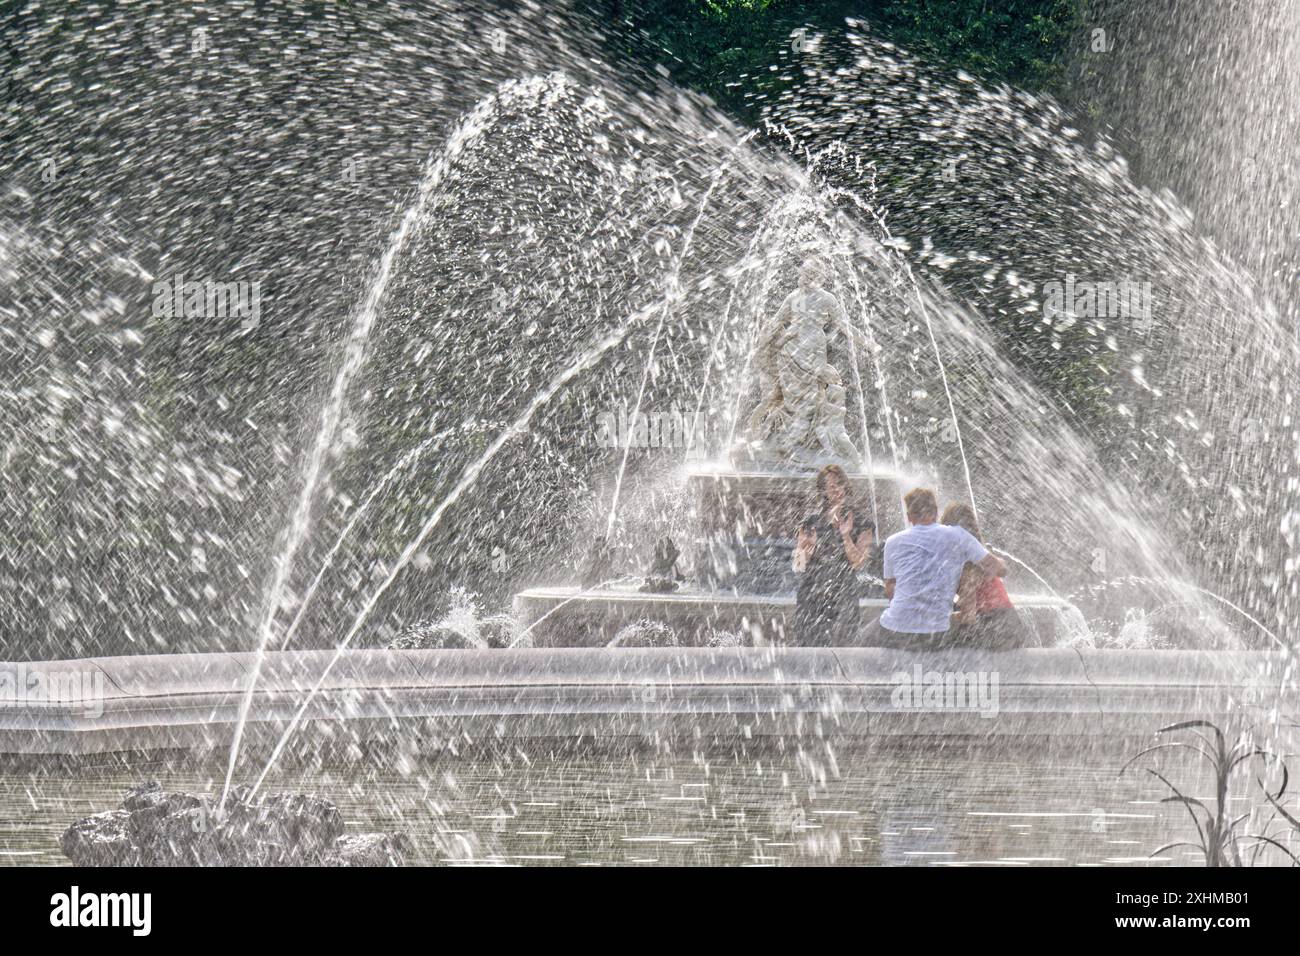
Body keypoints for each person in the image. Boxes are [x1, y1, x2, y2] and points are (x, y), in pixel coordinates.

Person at [859, 487, 1007, 648]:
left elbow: (890, 590)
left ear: (909, 517)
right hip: (937, 634)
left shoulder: (893, 542)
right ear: (936, 512)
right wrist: (1001, 564)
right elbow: (998, 569)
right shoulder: (959, 536)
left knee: (863, 638)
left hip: (897, 631)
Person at [791, 464, 874, 645]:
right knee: (809, 649)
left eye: (839, 483)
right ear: (823, 491)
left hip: (844, 594)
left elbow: (859, 562)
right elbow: (798, 565)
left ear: (846, 486)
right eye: (831, 486)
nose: (836, 489)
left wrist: (845, 536)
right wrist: (806, 553)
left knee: (843, 650)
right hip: (812, 594)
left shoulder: (861, 521)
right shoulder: (810, 522)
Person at [939, 503, 1032, 649]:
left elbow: (967, 616)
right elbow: (1002, 569)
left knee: (936, 640)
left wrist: (940, 620)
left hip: (994, 630)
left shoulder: (968, 566)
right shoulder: (982, 558)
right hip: (1010, 627)